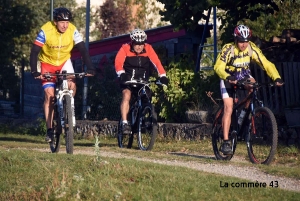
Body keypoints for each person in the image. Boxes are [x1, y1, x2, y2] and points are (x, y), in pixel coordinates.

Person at [214, 24, 284, 155]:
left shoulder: (252, 48)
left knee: (254, 85)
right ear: (236, 39)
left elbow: (266, 63)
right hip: (228, 77)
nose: (244, 44)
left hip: (244, 75)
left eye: (246, 41)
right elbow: (218, 67)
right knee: (228, 107)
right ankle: (225, 141)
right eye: (241, 41)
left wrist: (276, 77)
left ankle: (244, 115)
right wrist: (228, 77)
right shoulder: (228, 49)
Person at [30, 7, 95, 143]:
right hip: (47, 63)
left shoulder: (72, 30)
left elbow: (82, 49)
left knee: (72, 85)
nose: (65, 25)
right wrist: (34, 71)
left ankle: (68, 108)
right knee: (50, 95)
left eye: (67, 22)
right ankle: (49, 130)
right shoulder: (46, 30)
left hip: (64, 62)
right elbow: (35, 51)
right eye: (62, 22)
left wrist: (90, 67)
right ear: (55, 22)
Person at [114, 28, 169, 134]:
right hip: (127, 79)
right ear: (132, 43)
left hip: (142, 81)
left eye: (141, 44)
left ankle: (143, 121)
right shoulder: (125, 48)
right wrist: (121, 74)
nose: (139, 47)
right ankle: (125, 123)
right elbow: (118, 62)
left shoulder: (148, 48)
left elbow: (157, 63)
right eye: (137, 44)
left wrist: (163, 76)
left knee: (147, 98)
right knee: (126, 95)